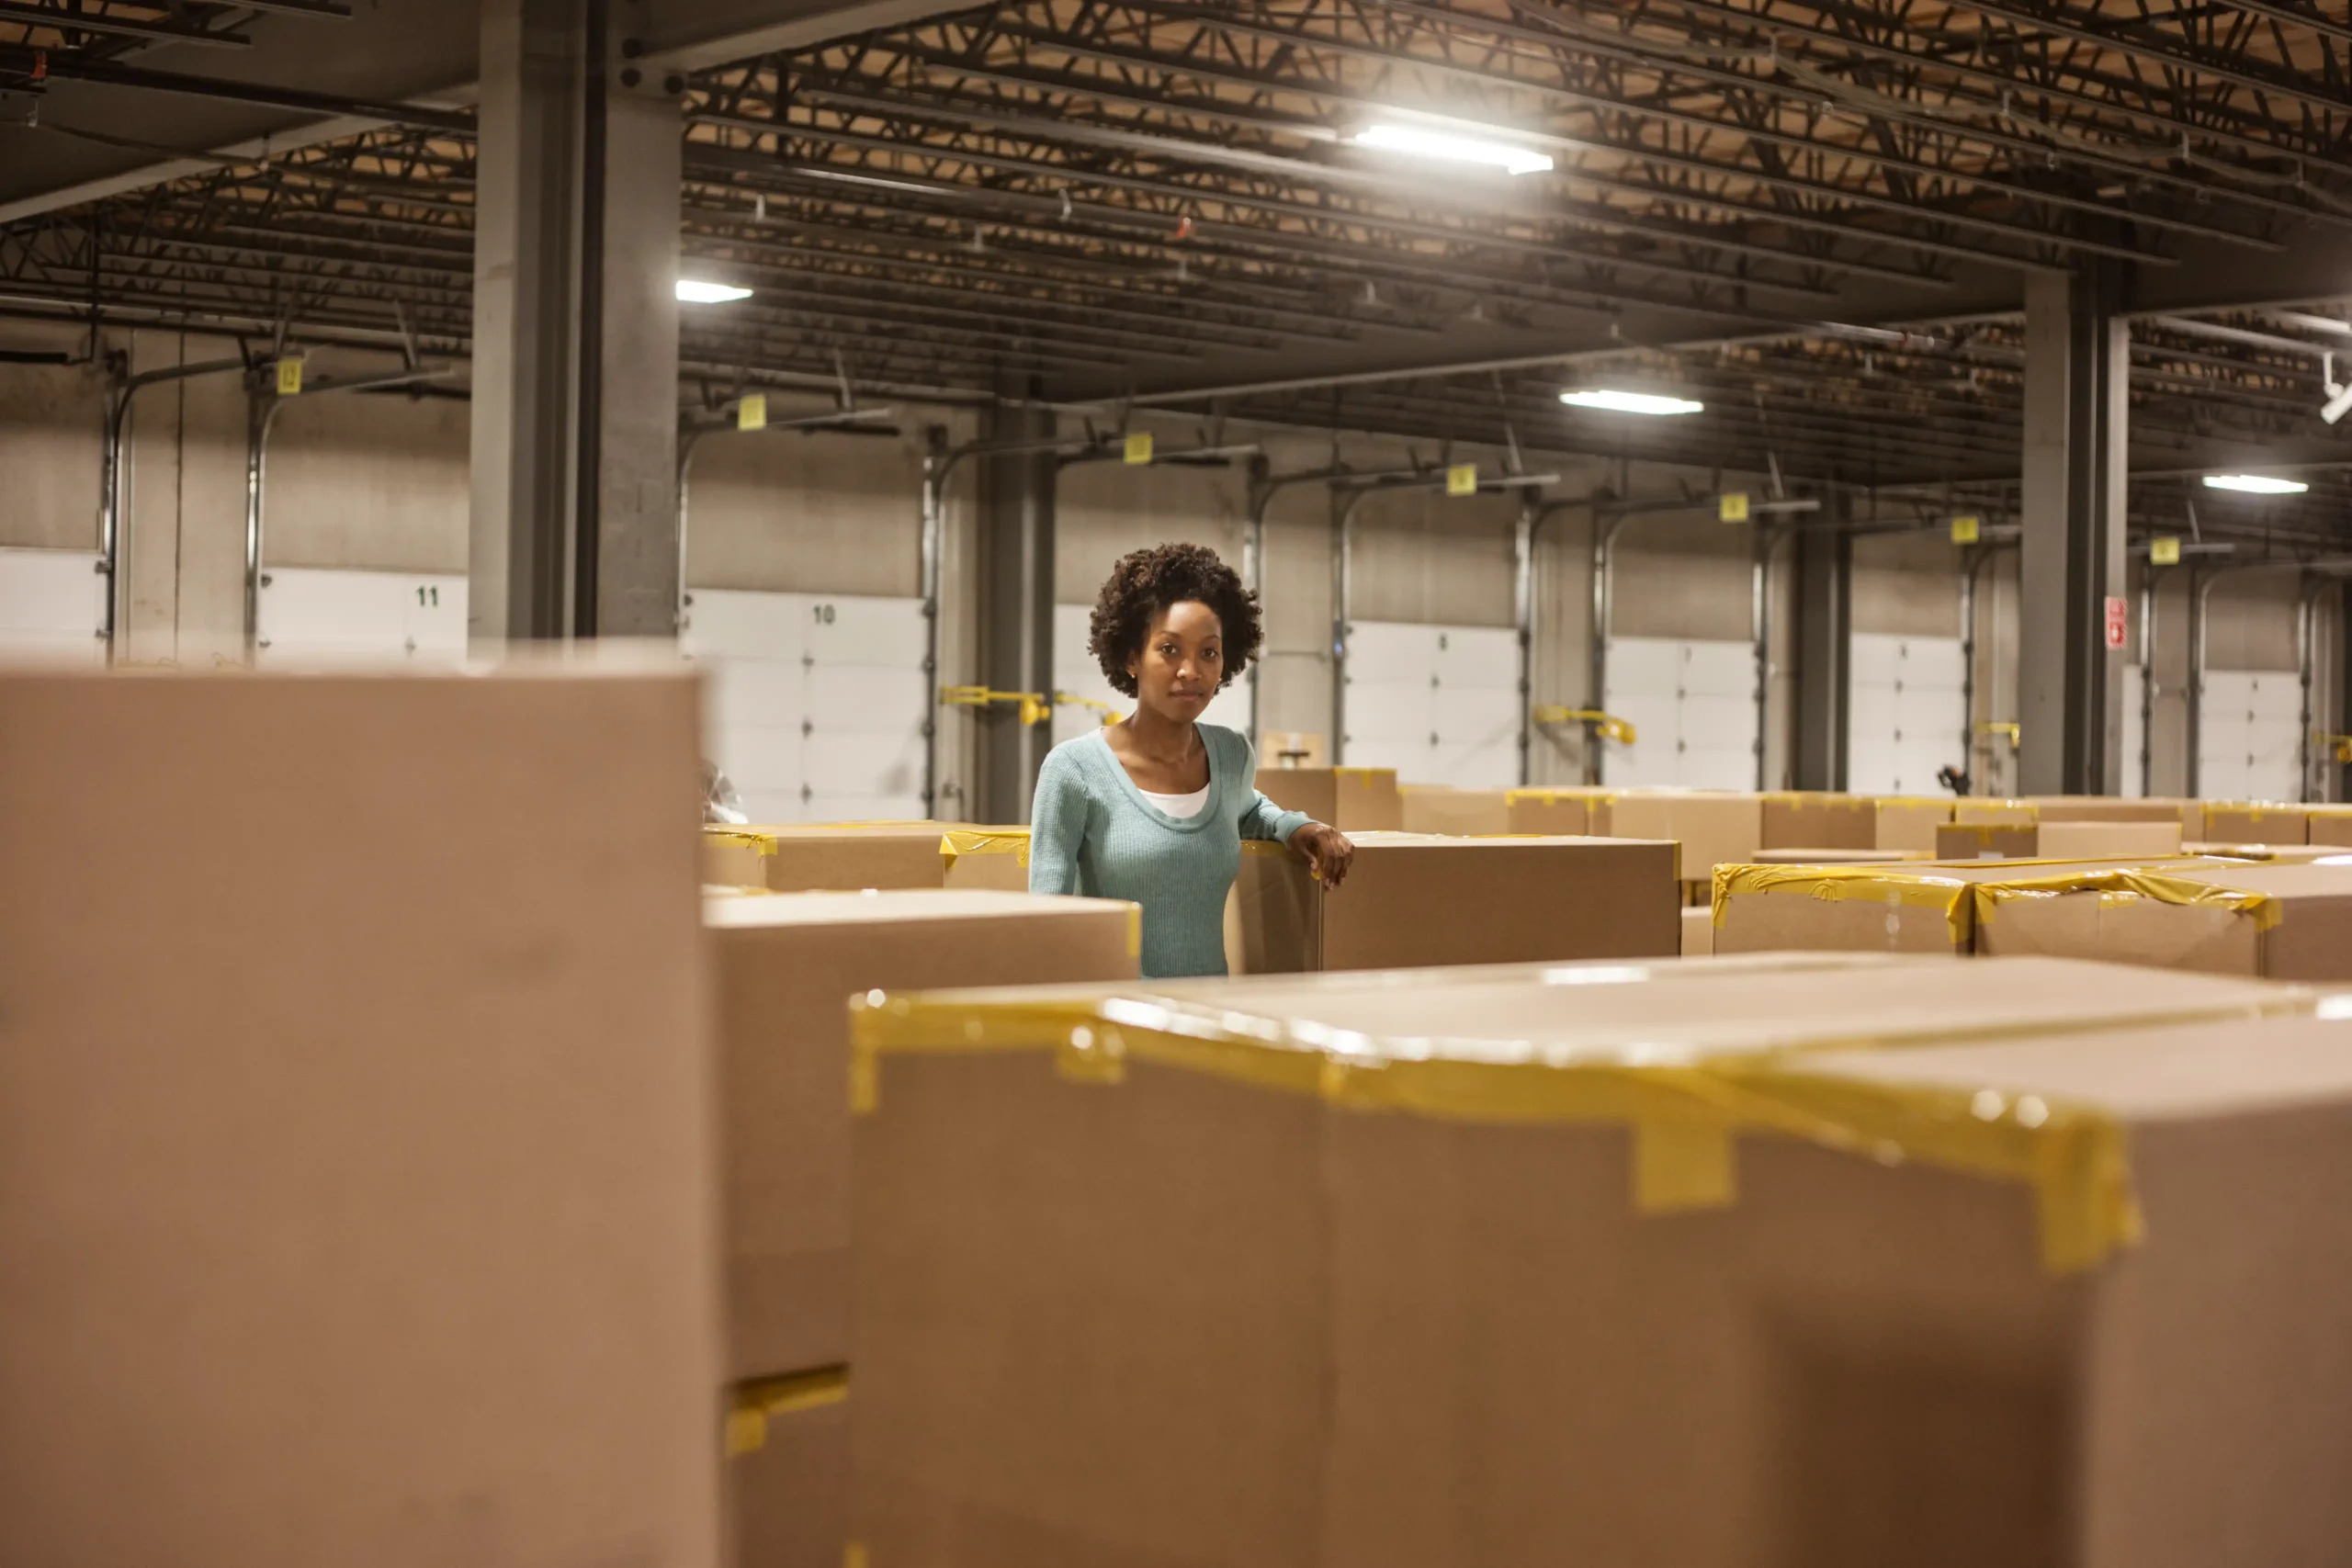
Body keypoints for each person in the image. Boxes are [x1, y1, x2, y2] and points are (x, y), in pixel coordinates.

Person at [1031, 542, 1353, 979]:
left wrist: (1297, 827)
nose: (1191, 671)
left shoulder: (1229, 754)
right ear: (1131, 656)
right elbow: (1047, 924)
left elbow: (1247, 807)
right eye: (1169, 649)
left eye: (1208, 652)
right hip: (1122, 1019)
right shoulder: (1073, 770)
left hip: (1210, 1021)